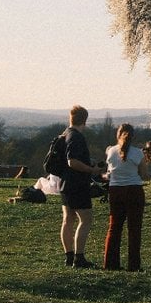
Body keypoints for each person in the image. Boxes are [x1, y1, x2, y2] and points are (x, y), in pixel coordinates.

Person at [59, 105, 105, 268]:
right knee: (86, 219)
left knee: (68, 220)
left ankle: (69, 256)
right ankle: (79, 257)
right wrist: (91, 170)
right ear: (84, 120)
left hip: (65, 183)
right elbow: (72, 161)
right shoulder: (76, 137)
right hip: (77, 184)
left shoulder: (65, 134)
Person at [103, 123, 150, 271]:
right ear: (133, 136)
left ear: (118, 135)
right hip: (134, 190)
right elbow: (144, 175)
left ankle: (110, 263)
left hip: (115, 190)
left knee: (114, 228)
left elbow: (109, 173)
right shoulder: (137, 153)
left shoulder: (111, 151)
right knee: (134, 229)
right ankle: (134, 265)